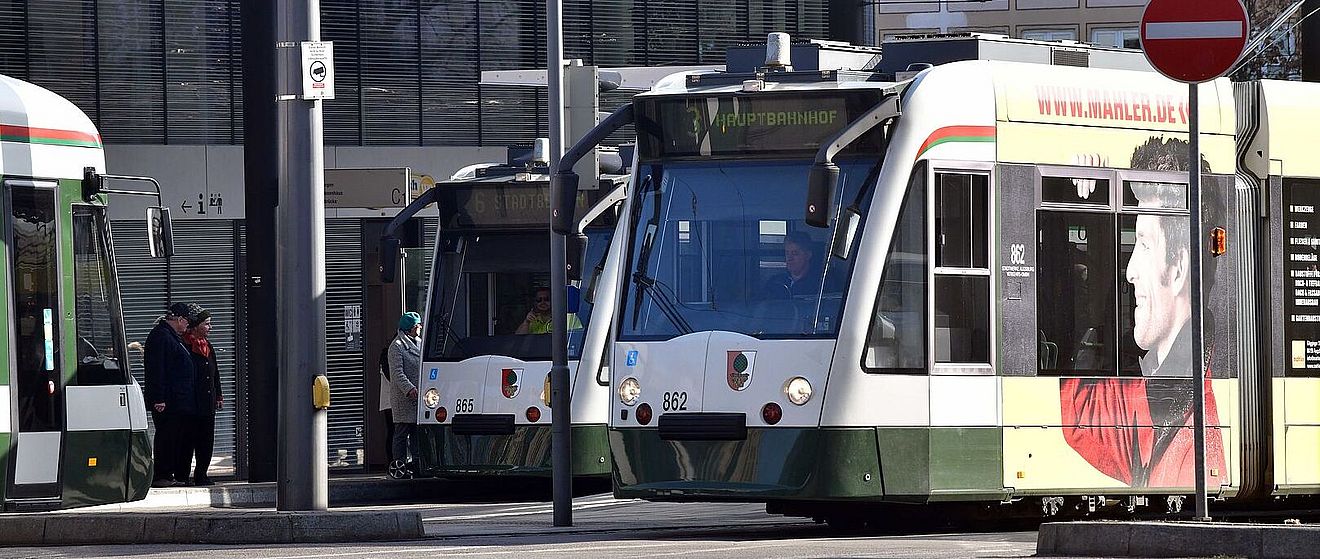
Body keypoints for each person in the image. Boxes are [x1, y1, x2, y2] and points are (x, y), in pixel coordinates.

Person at [1060, 138, 1224, 487]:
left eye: (1145, 245)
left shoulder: (1192, 450)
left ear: (1179, 268)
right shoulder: (1155, 385)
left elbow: (1082, 418)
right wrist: (1080, 198)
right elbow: (1082, 413)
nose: (1130, 270)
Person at [143, 302, 198, 488]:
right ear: (180, 319)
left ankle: (170, 473)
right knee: (166, 436)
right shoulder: (161, 336)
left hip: (177, 400)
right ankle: (162, 474)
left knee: (175, 436)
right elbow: (157, 369)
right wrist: (159, 398)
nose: (187, 326)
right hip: (168, 400)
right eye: (186, 321)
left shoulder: (172, 336)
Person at [182, 304, 222, 486]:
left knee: (206, 440)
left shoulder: (208, 346)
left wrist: (218, 396)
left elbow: (215, 374)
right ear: (196, 325)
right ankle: (183, 474)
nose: (210, 328)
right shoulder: (185, 345)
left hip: (207, 402)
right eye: (206, 324)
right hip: (191, 403)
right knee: (188, 440)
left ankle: (202, 473)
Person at [388, 311, 423, 471]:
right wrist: (409, 389)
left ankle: (417, 463)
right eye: (417, 325)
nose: (420, 327)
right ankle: (399, 464)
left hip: (419, 396)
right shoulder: (396, 346)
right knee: (402, 431)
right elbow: (397, 373)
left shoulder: (420, 342)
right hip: (404, 397)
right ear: (409, 328)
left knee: (417, 431)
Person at [764, 232, 822, 299]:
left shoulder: (821, 284)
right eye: (787, 253)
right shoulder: (775, 282)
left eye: (795, 253)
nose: (789, 258)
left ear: (808, 255)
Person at [515, 287, 581, 334]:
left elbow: (575, 341)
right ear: (535, 303)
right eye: (539, 300)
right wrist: (526, 322)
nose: (542, 302)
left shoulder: (569, 318)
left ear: (553, 300)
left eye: (546, 299)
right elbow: (518, 340)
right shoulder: (533, 320)